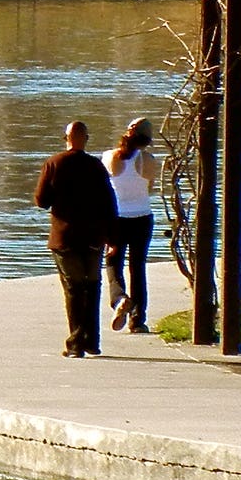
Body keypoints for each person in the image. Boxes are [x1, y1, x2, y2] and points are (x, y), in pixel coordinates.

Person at [33, 120, 118, 359]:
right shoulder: (96, 167)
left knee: (73, 288)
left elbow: (41, 200)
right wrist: (112, 237)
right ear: (85, 139)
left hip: (65, 237)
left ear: (66, 139)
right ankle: (92, 341)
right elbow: (109, 203)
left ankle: (75, 344)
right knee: (92, 287)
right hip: (93, 237)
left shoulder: (54, 163)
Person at [103, 118, 157, 335]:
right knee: (138, 267)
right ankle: (138, 320)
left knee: (113, 263)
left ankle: (119, 299)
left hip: (117, 218)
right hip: (142, 217)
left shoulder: (108, 157)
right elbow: (150, 187)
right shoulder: (148, 160)